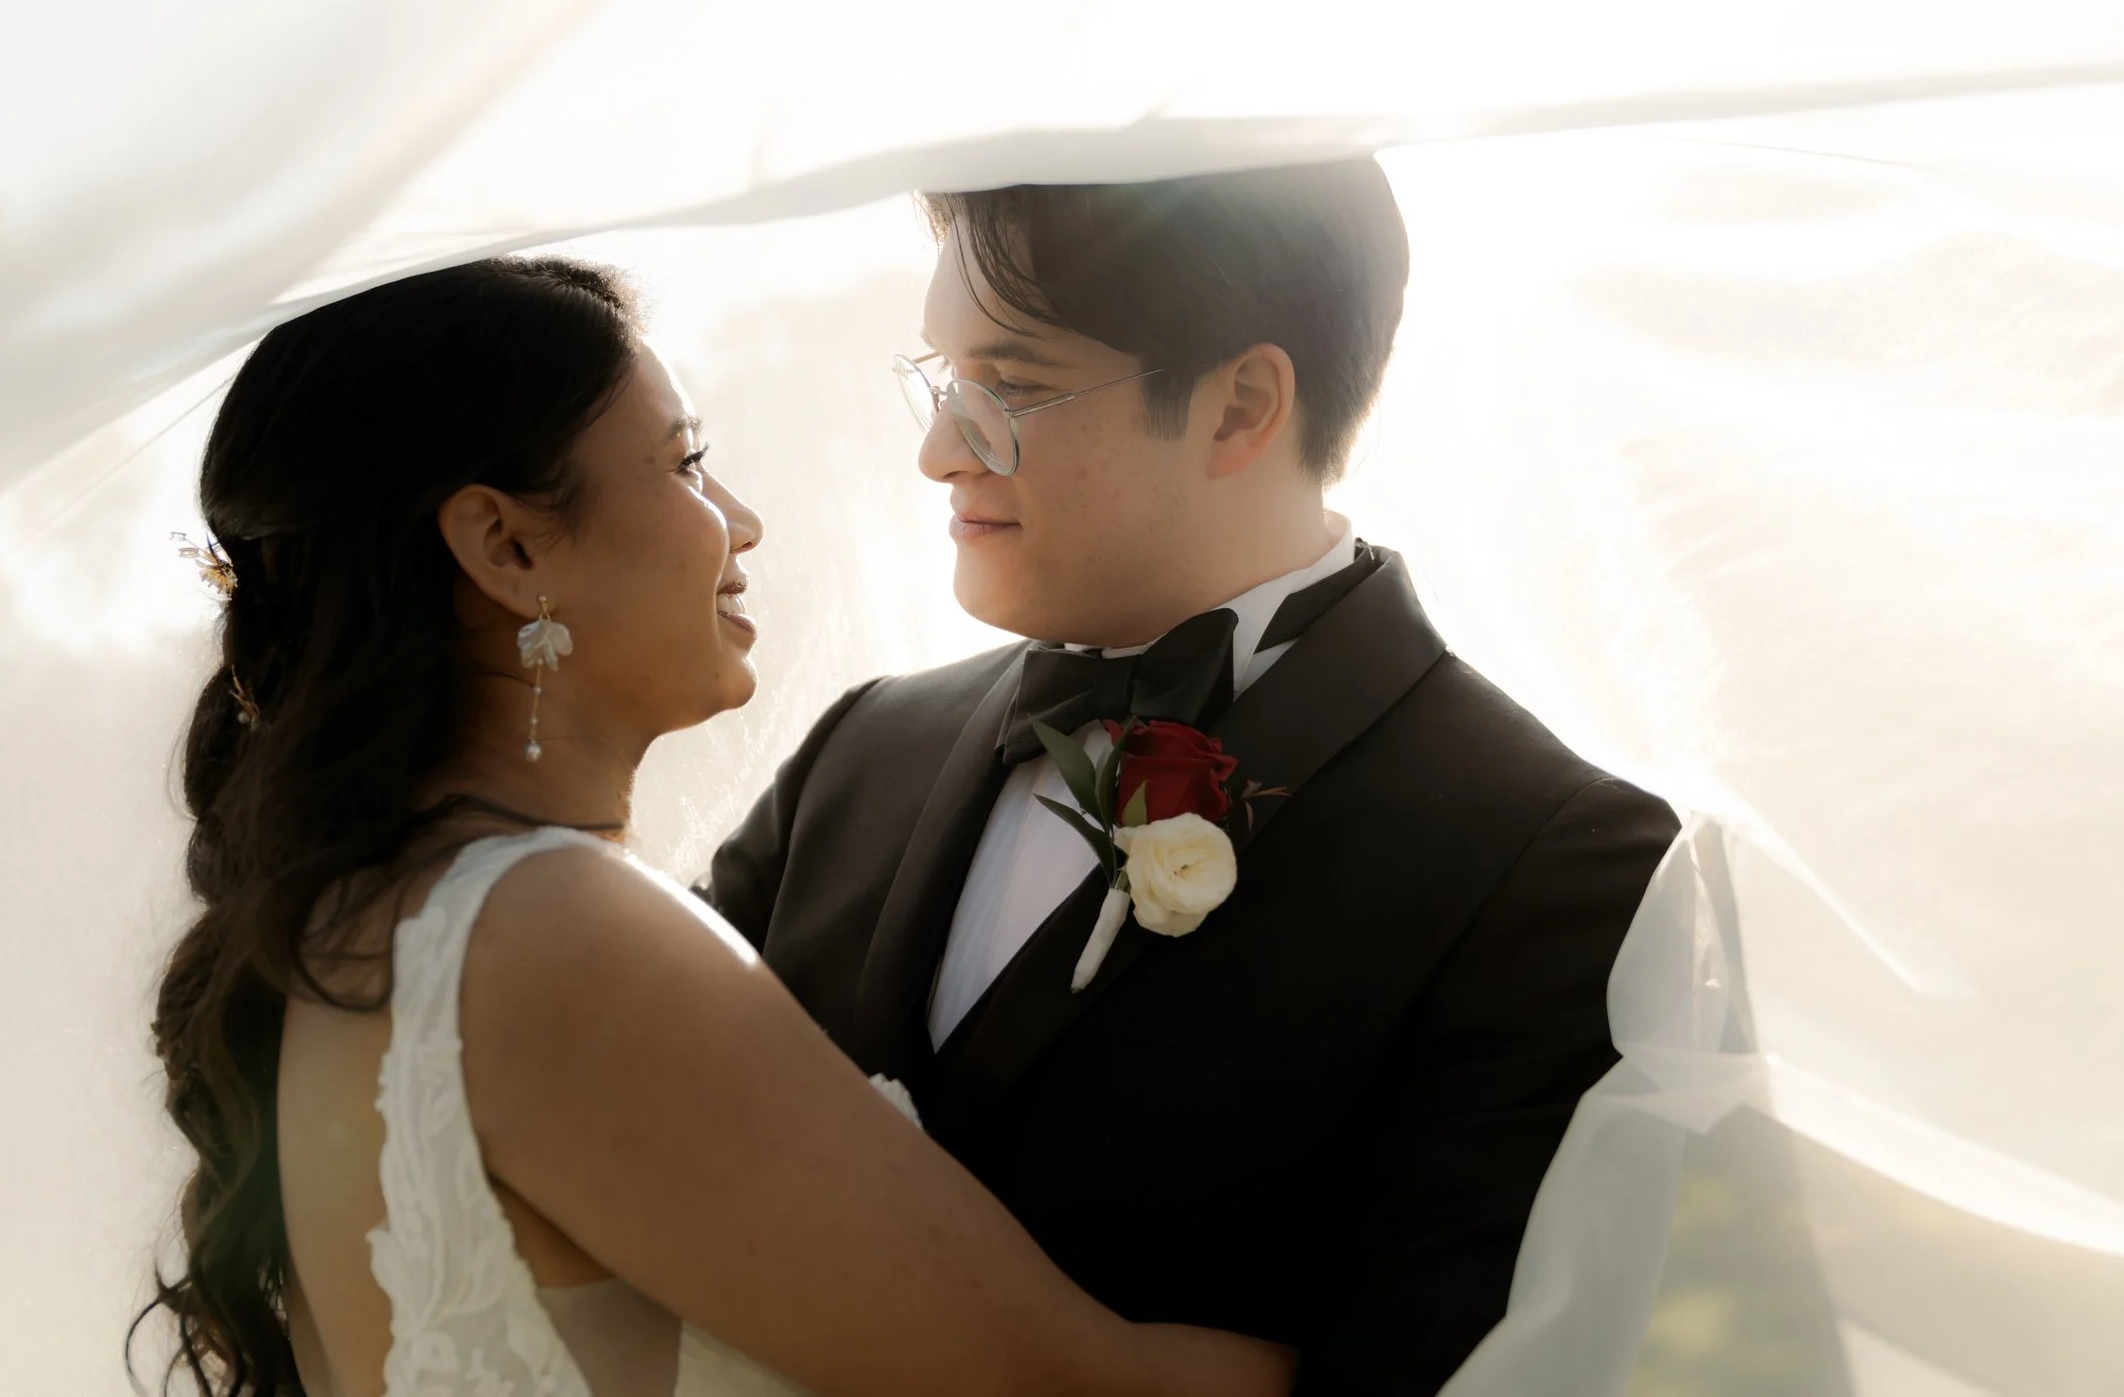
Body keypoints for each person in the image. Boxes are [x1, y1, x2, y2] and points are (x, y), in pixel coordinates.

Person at [136, 257, 1295, 1397]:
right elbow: (1068, 1384)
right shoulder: (549, 930)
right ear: (506, 545)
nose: (742, 521)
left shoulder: (360, 920)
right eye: (687, 463)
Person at [704, 162, 1681, 1396]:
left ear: (1239, 406)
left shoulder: (1545, 862)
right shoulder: (861, 748)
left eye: (1011, 385)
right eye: (944, 380)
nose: (939, 450)